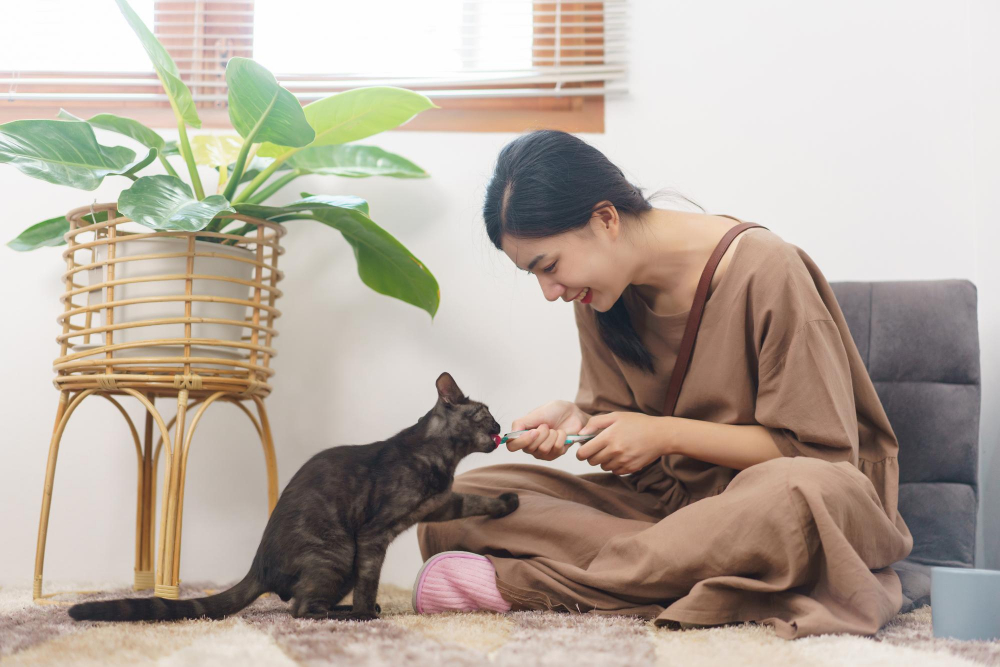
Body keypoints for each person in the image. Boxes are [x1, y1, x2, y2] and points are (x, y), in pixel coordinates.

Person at [412, 130, 912, 639]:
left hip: (783, 502)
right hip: (669, 511)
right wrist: (580, 423)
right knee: (447, 504)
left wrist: (665, 434)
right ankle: (692, 570)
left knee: (802, 494)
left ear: (605, 219)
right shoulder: (599, 296)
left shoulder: (766, 268)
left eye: (550, 266)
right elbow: (632, 450)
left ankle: (524, 582)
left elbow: (823, 459)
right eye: (534, 276)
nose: (549, 292)